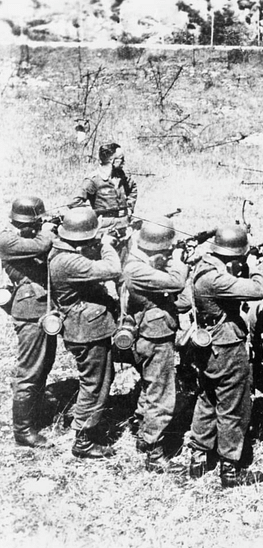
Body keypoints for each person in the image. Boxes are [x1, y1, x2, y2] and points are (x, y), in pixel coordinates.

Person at [187, 224, 263, 488]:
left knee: (207, 398)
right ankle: (230, 468)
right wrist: (255, 265)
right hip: (227, 347)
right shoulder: (215, 280)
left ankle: (199, 458)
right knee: (234, 407)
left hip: (208, 347)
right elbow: (259, 290)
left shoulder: (205, 266)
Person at [49, 207, 122, 458]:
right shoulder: (70, 261)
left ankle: (85, 425)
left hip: (81, 327)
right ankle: (84, 440)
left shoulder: (61, 251)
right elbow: (113, 269)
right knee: (95, 383)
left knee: (96, 380)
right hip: (87, 330)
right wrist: (107, 244)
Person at [122, 218, 189, 473]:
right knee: (161, 395)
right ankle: (154, 451)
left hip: (150, 334)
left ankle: (142, 431)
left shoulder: (141, 261)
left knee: (150, 387)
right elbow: (175, 283)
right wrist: (180, 262)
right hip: (154, 337)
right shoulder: (136, 269)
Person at [0, 197, 57, 448]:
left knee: (44, 364)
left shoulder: (24, 236)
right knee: (30, 371)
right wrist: (48, 230)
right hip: (29, 311)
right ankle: (23, 430)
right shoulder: (7, 239)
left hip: (42, 308)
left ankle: (36, 411)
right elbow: (42, 245)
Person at [71, 143, 137, 243]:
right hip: (105, 230)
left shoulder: (122, 175)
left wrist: (130, 207)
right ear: (111, 160)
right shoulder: (94, 180)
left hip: (124, 225)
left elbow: (133, 188)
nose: (124, 162)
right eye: (121, 159)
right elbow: (74, 203)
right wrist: (92, 215)